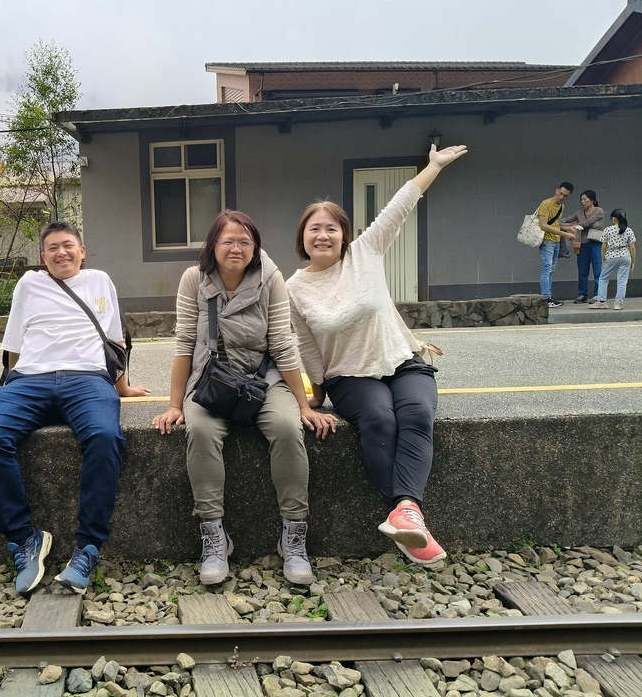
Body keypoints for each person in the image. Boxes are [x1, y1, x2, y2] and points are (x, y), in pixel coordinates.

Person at [286, 143, 468, 566]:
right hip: (348, 376)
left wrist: (433, 167)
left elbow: (399, 205)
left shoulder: (364, 253)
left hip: (402, 359)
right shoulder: (294, 288)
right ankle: (411, 520)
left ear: (343, 234)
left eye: (331, 227)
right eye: (314, 228)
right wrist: (313, 396)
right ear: (302, 239)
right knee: (380, 419)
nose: (323, 234)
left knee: (418, 416)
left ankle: (406, 511)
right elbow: (307, 346)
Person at [151, 211, 336, 587]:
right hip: (213, 382)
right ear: (213, 246)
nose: (236, 248)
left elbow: (284, 345)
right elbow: (185, 342)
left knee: (286, 427)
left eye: (244, 242)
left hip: (262, 378)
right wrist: (174, 405)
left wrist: (302, 405)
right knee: (200, 431)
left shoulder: (271, 279)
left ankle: (294, 535)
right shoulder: (194, 280)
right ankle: (213, 535)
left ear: (255, 248)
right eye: (227, 241)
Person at [0, 221, 149, 596]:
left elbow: (115, 342)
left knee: (104, 437)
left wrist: (124, 387)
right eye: (52, 248)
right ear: (42, 257)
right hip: (29, 380)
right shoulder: (29, 284)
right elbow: (15, 344)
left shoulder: (100, 281)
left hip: (87, 378)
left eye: (68, 245)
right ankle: (24, 539)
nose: (61, 253)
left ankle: (87, 547)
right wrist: (4, 389)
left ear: (82, 251)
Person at [536, 182, 578, 308]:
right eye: (560, 193)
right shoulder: (546, 204)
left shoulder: (561, 207)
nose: (561, 197)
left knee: (551, 270)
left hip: (556, 241)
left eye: (565, 196)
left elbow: (556, 224)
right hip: (547, 240)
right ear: (557, 190)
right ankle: (546, 297)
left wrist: (569, 227)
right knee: (547, 268)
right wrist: (564, 234)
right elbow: (543, 225)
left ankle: (549, 296)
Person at [561, 189, 605, 303]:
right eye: (581, 199)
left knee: (597, 270)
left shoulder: (598, 211)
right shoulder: (579, 213)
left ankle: (598, 294)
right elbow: (564, 220)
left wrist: (572, 225)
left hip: (595, 243)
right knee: (582, 270)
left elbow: (587, 223)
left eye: (585, 199)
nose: (583, 201)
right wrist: (558, 222)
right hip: (582, 244)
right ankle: (582, 294)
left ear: (592, 200)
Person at [590, 208, 636, 311]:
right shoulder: (628, 230)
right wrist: (633, 261)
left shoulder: (607, 230)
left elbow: (603, 246)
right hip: (625, 256)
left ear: (614, 219)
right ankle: (618, 303)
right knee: (622, 281)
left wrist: (603, 260)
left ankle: (601, 302)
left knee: (603, 279)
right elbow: (632, 247)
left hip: (611, 256)